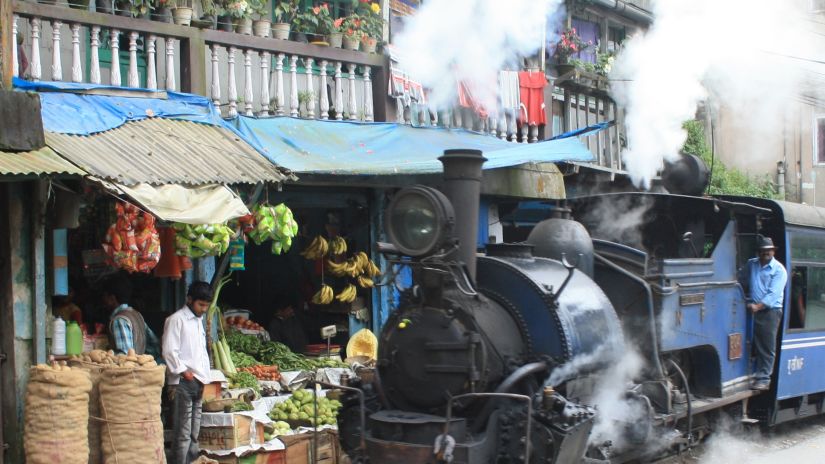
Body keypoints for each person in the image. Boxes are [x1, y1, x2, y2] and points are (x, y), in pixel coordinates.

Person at [163, 281, 213, 464]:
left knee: (194, 434)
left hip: (198, 381)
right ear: (189, 300)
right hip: (182, 383)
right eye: (201, 305)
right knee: (182, 434)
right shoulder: (177, 320)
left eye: (206, 306)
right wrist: (184, 372)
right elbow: (169, 351)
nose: (203, 309)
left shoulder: (199, 321)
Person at [746, 236, 788, 391]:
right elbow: (741, 279)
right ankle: (750, 374)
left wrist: (758, 306)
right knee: (750, 343)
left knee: (766, 345)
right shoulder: (751, 264)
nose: (766, 253)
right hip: (752, 308)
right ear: (759, 252)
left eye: (769, 250)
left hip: (770, 311)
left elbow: (773, 294)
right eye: (763, 250)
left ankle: (764, 378)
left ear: (773, 251)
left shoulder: (779, 270)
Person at [102, 274, 150, 355]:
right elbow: (153, 343)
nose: (103, 300)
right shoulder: (137, 314)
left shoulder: (119, 320)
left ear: (112, 298)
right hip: (141, 366)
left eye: (105, 296)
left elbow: (124, 355)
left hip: (129, 367)